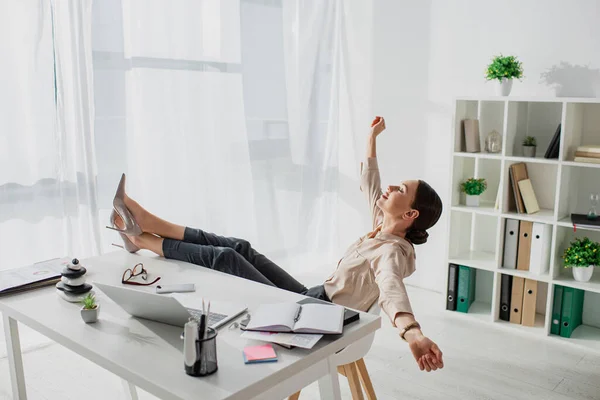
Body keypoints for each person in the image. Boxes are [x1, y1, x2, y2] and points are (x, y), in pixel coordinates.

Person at [107, 116, 444, 372]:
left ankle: (143, 238)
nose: (391, 188)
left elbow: (390, 288)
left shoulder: (390, 251)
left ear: (411, 213)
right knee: (241, 248)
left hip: (317, 317)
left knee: (227, 258)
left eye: (400, 189)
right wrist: (371, 138)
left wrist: (412, 334)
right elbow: (371, 182)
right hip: (314, 296)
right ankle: (148, 225)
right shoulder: (381, 227)